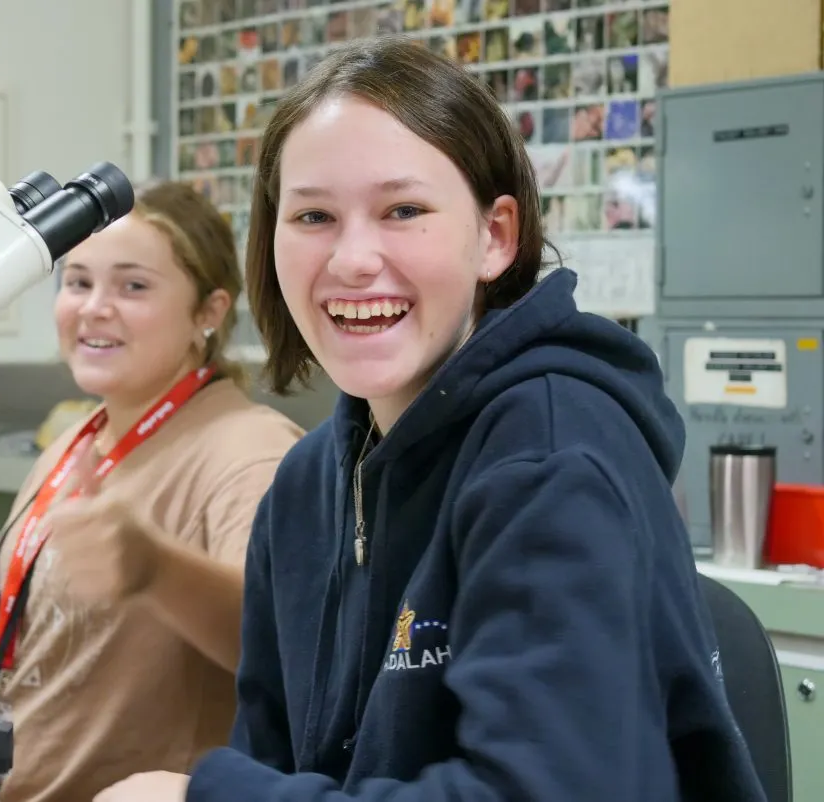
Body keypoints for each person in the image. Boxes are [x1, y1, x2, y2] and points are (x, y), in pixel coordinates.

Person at [97, 37, 767, 802]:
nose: (352, 258)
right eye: (313, 214)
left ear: (496, 236)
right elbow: (277, 759)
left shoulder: (550, 458)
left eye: (403, 210)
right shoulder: (307, 486)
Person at [0, 179, 303, 802]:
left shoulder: (250, 452)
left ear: (208, 312)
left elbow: (280, 648)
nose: (95, 307)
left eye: (133, 286)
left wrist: (151, 567)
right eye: (78, 282)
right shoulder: (74, 441)